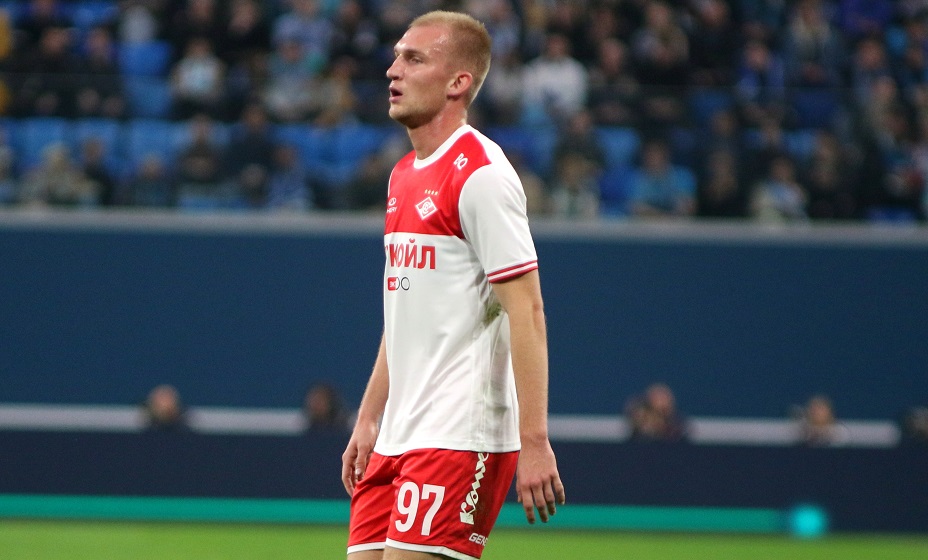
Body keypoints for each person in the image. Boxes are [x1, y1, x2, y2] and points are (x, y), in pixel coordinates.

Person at [341, 11, 565, 560]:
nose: (393, 70)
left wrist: (534, 440)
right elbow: (406, 315)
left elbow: (527, 311)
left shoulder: (481, 174)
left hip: (459, 433)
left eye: (414, 59)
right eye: (397, 56)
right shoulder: (402, 175)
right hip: (398, 432)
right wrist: (369, 416)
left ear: (458, 82)